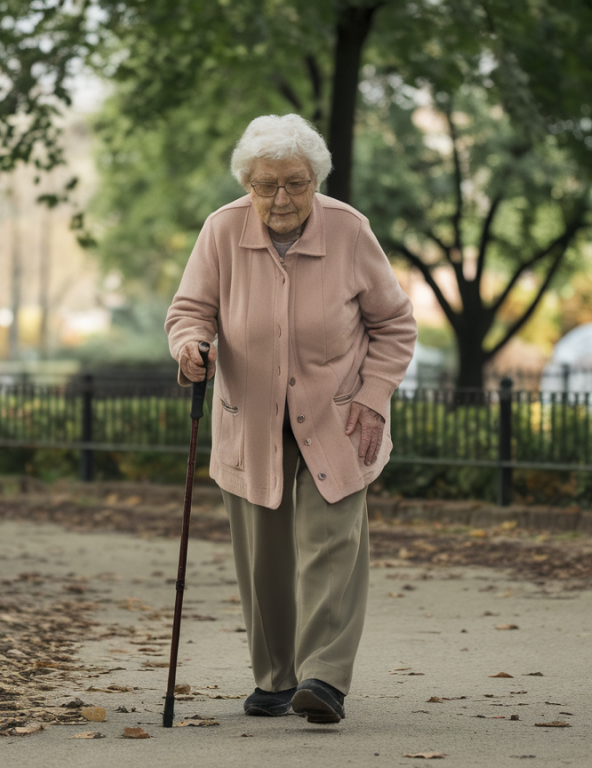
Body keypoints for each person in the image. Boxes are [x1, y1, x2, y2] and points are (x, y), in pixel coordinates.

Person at [165, 114, 416, 725]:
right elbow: (190, 309)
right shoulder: (221, 230)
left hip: (337, 417)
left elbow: (394, 325)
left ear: (316, 180)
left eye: (297, 184)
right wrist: (191, 346)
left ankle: (323, 678)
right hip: (249, 416)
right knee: (264, 554)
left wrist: (374, 394)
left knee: (331, 544)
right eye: (267, 185)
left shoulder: (350, 232)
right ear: (247, 184)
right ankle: (275, 679)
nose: (282, 198)